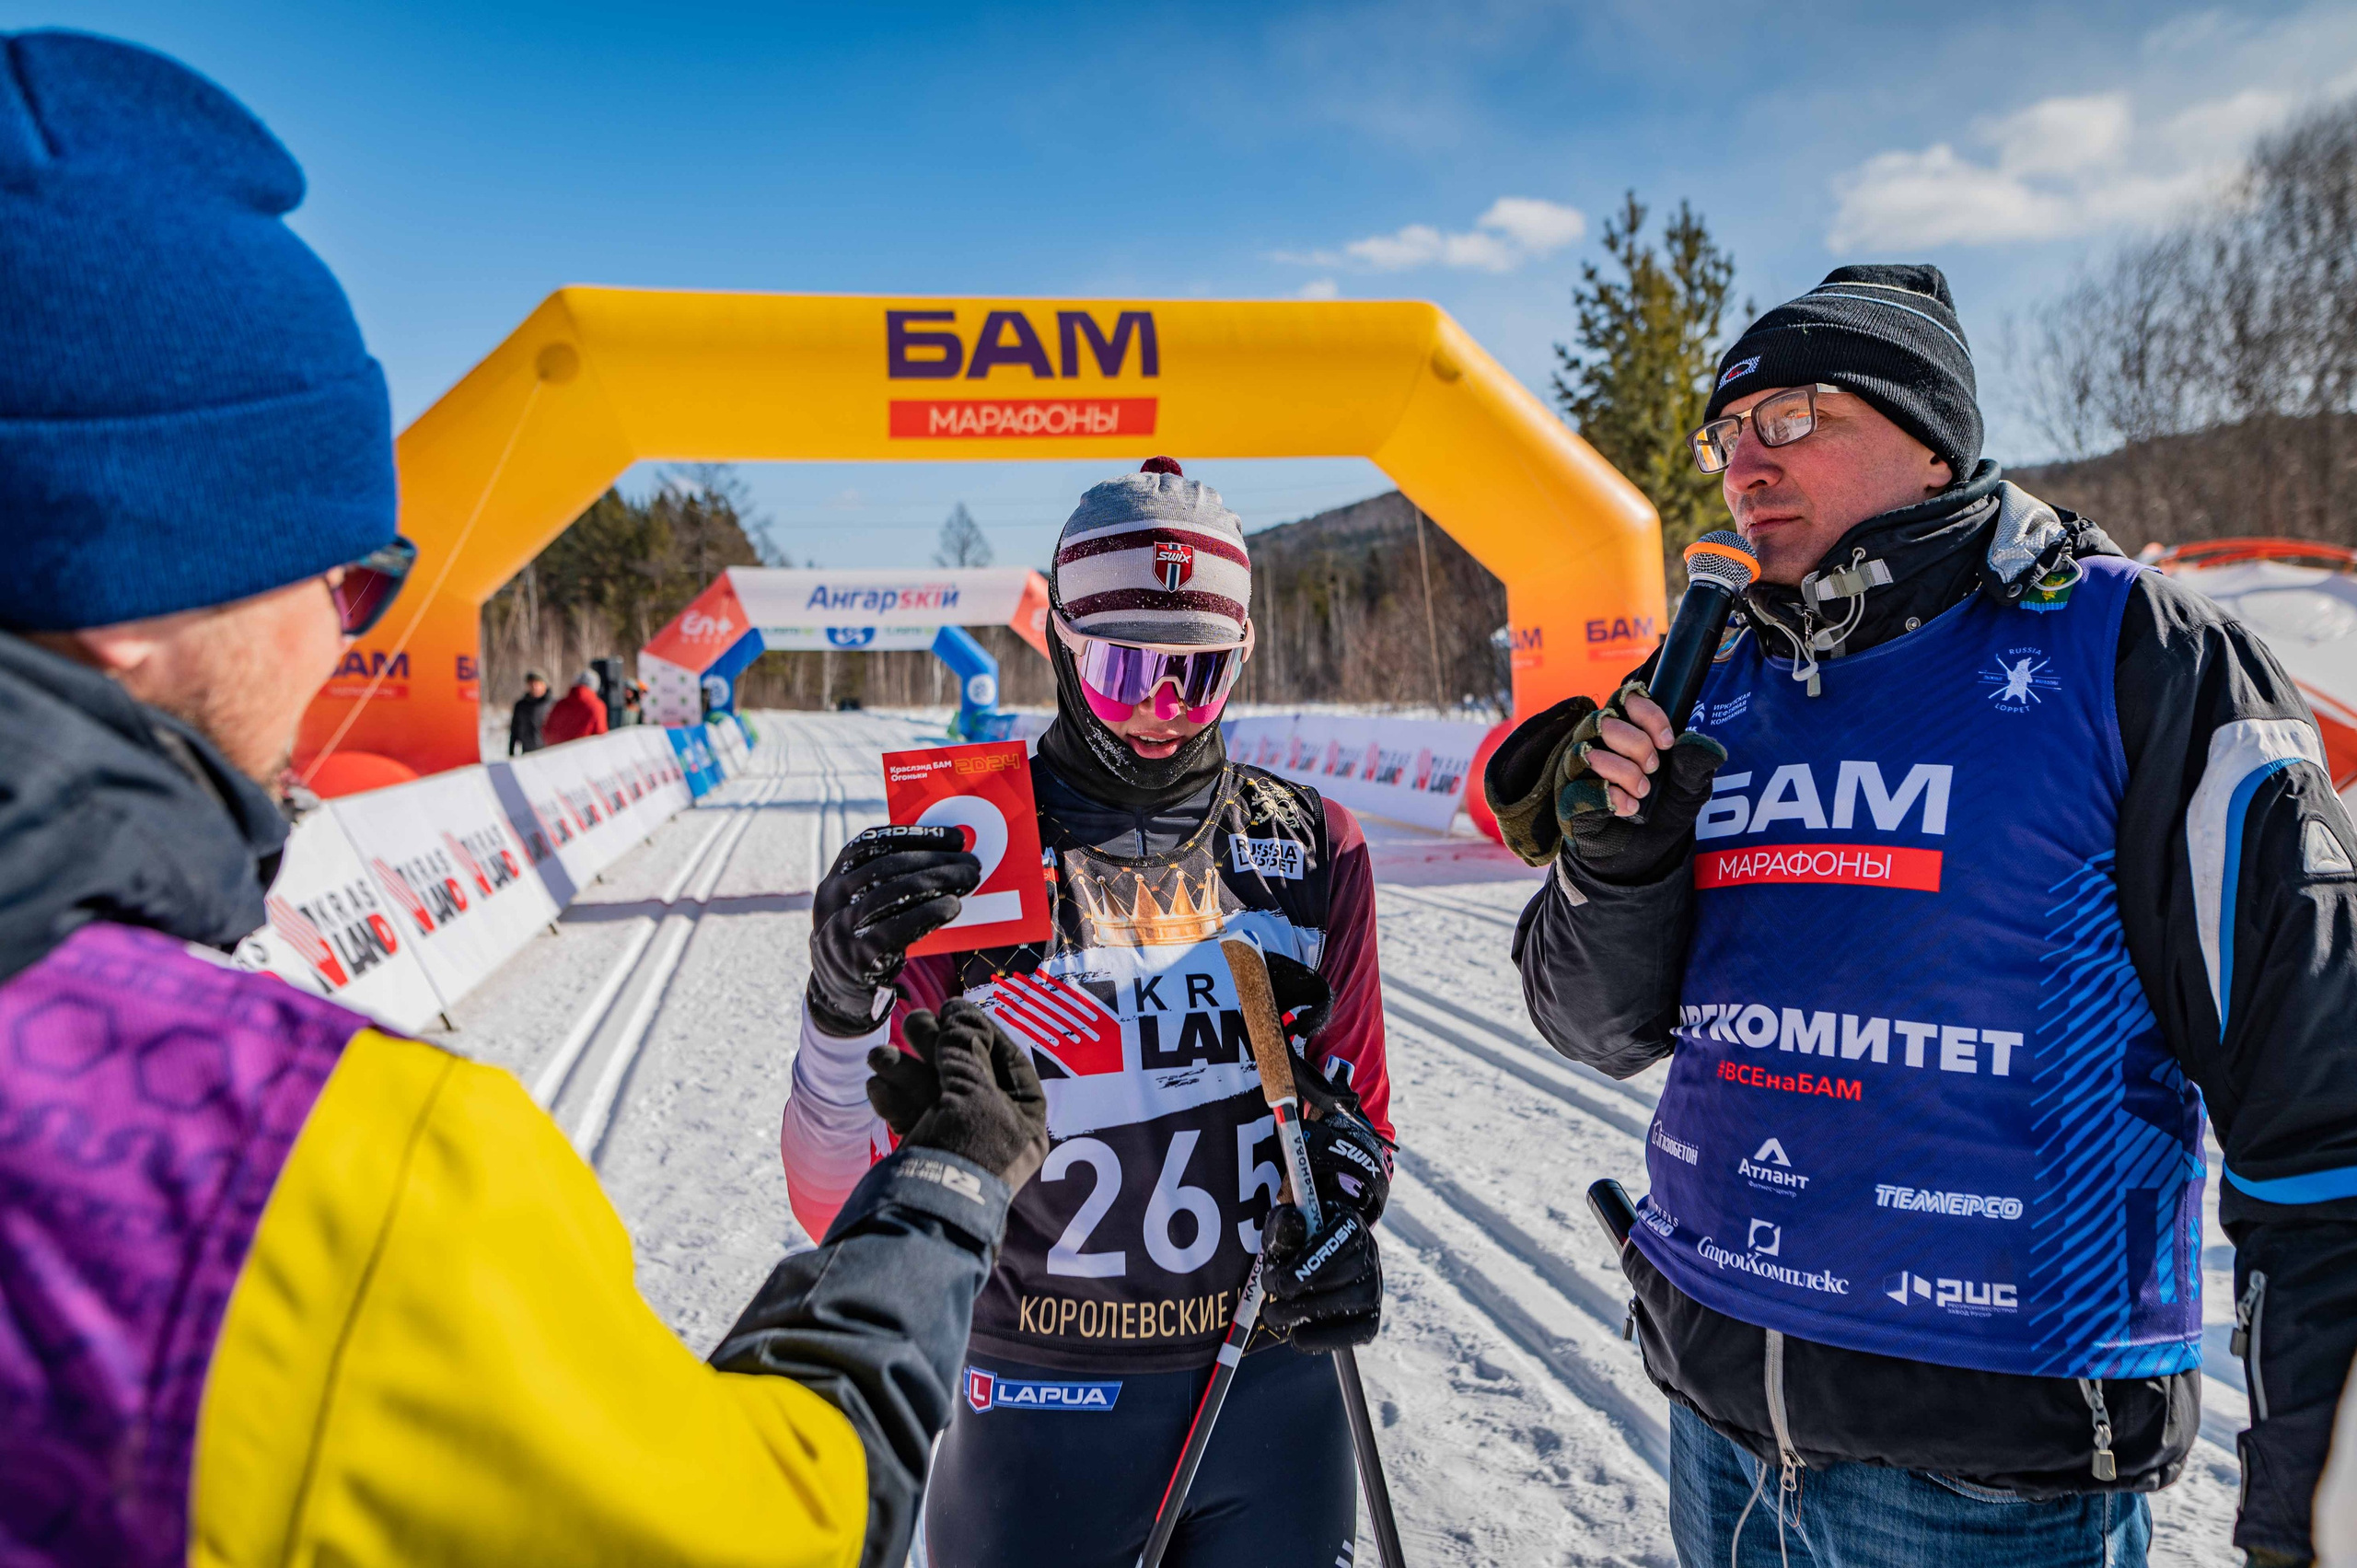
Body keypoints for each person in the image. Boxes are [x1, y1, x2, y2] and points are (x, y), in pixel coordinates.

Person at [0, 31, 1044, 1568]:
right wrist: (942, 1196)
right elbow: (773, 1529)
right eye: (349, 570)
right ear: (120, 587)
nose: (348, 633)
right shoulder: (329, 1176)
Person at [1492, 264, 2357, 1566]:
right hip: (1718, 1432)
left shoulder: (2139, 654)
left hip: (1986, 1488)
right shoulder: (1705, 678)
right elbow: (1591, 1025)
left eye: (1791, 418)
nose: (1744, 466)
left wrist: (2313, 1510)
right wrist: (1615, 866)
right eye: (1726, 434)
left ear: (1928, 432)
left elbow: (2321, 1103)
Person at [782, 459, 1396, 1567]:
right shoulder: (969, 846)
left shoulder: (1310, 845)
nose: (1161, 712)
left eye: (1198, 675)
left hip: (1269, 1400)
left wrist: (1345, 1215)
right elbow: (835, 1199)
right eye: (1123, 670)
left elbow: (1364, 1129)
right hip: (1032, 1402)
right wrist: (839, 1004)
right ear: (1058, 638)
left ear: (1244, 652)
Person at [542, 666, 610, 743]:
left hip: (557, 752)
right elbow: (601, 735)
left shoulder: (560, 704)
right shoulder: (597, 706)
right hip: (584, 752)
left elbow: (547, 729)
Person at [507, 668, 552, 752]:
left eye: (537, 684)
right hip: (528, 753)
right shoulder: (521, 706)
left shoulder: (553, 705)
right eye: (531, 684)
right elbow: (514, 730)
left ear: (544, 685)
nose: (534, 687)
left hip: (547, 752)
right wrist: (511, 751)